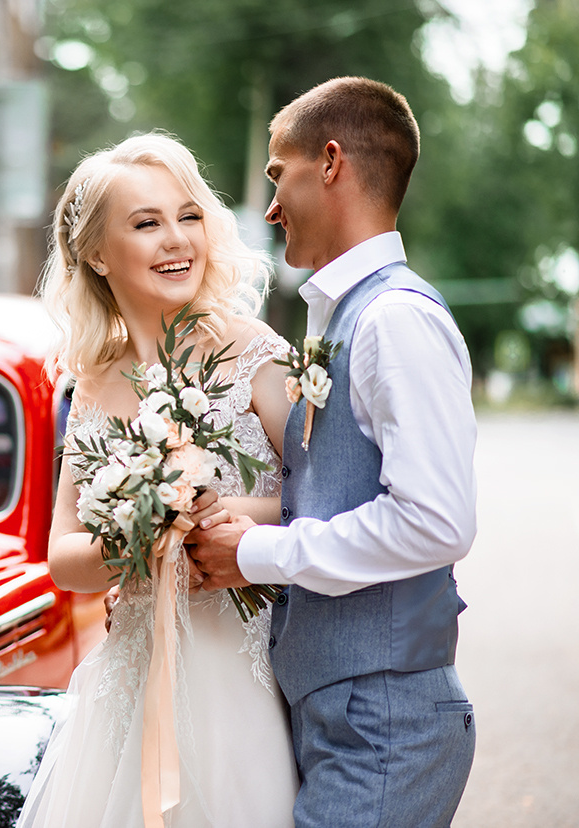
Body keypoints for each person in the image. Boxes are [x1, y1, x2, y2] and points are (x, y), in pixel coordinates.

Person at [188, 77, 477, 827]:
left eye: (277, 176)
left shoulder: (393, 321)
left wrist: (261, 555)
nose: (272, 207)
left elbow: (438, 522)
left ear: (331, 161)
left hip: (383, 726)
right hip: (344, 717)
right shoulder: (347, 316)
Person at [16, 132, 298, 828]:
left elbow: (331, 503)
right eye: (146, 223)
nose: (177, 240)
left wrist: (222, 516)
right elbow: (64, 559)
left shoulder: (258, 355)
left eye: (189, 215)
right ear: (97, 253)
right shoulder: (92, 384)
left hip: (251, 674)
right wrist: (142, 532)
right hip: (132, 683)